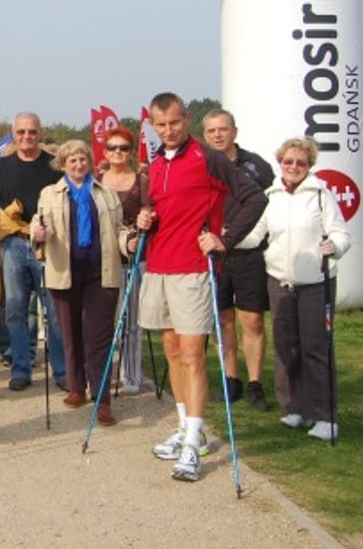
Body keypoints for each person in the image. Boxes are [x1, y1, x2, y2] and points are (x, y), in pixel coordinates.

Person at [136, 92, 266, 482]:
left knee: (193, 355)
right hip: (158, 266)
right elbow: (161, 210)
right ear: (153, 126)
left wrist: (224, 238)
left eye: (175, 122)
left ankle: (195, 443)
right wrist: (146, 219)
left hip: (193, 268)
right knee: (173, 351)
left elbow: (253, 198)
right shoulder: (156, 165)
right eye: (161, 125)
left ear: (186, 118)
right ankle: (185, 429)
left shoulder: (207, 157)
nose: (169, 131)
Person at [237, 138, 350, 441]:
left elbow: (341, 232)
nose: (293, 167)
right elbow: (254, 235)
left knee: (316, 348)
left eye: (300, 162)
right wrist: (226, 239)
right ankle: (294, 409)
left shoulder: (321, 196)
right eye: (288, 161)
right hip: (279, 281)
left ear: (309, 165)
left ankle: (325, 416)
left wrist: (335, 246)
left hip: (315, 282)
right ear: (280, 163)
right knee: (286, 347)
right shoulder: (271, 196)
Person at [34, 140, 128, 425]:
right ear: (62, 164)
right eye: (72, 161)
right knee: (69, 333)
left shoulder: (106, 194)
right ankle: (77, 387)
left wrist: (129, 243)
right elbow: (39, 225)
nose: (78, 165)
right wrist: (37, 234)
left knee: (98, 338)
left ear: (89, 162)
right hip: (64, 273)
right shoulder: (49, 194)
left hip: (102, 274)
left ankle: (102, 399)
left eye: (82, 160)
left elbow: (119, 229)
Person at [0, 112, 68, 392]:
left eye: (32, 132)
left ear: (41, 133)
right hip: (13, 244)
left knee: (53, 310)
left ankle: (62, 371)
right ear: (13, 134)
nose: (26, 137)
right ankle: (20, 367)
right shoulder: (2, 167)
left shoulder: (53, 167)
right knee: (15, 309)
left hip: (47, 245)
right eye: (21, 132)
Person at [201, 109, 275, 411]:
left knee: (253, 320)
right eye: (211, 131)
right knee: (224, 320)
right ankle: (232, 379)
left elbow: (266, 205)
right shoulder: (200, 165)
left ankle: (256, 383)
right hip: (215, 256)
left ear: (234, 131)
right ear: (205, 135)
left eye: (223, 129)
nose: (218, 135)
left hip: (248, 252)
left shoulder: (257, 166)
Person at [98, 126, 146, 394]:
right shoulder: (97, 179)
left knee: (131, 320)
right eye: (113, 148)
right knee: (102, 318)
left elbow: (151, 210)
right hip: (102, 257)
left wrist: (144, 220)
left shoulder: (141, 181)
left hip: (133, 257)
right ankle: (100, 371)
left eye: (124, 148)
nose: (118, 152)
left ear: (131, 152)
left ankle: (130, 373)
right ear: (105, 151)